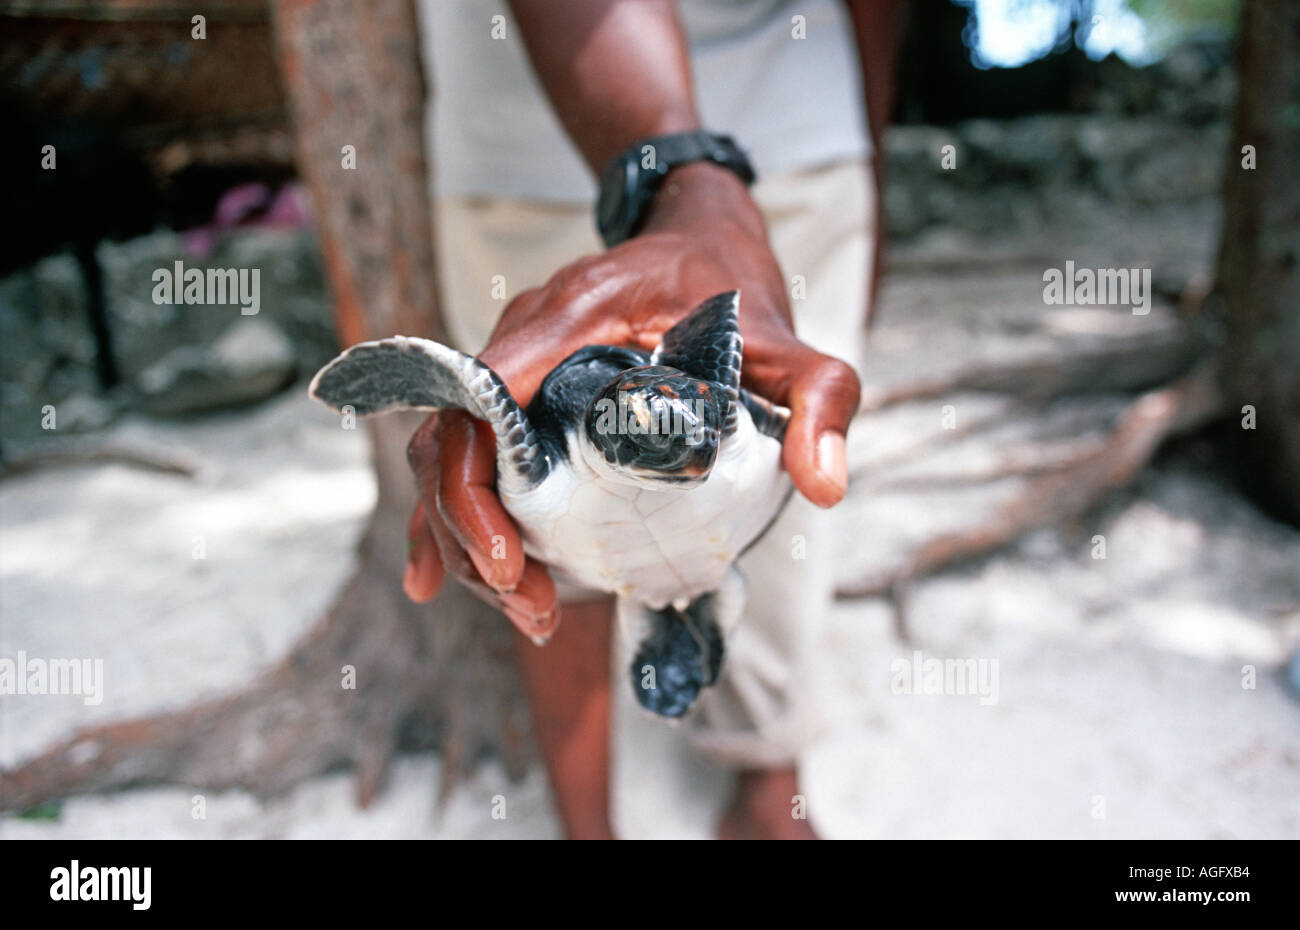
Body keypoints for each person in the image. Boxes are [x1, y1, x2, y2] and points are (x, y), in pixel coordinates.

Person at [404, 0, 902, 839]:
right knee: (525, 535)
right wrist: (687, 174)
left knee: (792, 490)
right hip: (527, 137)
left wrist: (864, 157)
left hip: (795, 114)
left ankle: (766, 783)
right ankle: (587, 826)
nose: (666, 422)